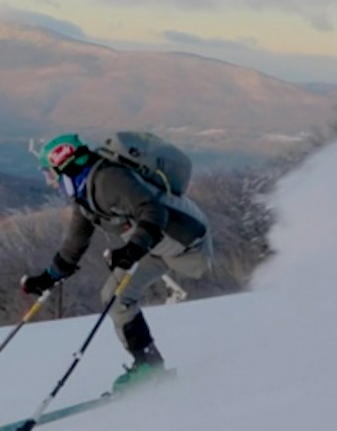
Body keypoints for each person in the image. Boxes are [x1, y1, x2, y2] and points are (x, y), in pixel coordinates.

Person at [20, 132, 215, 392]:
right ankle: (148, 365)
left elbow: (153, 211)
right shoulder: (85, 195)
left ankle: (148, 365)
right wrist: (49, 276)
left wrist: (132, 249)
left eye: (50, 174)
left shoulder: (107, 180)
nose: (50, 182)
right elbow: (75, 244)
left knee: (118, 288)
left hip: (186, 242)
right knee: (114, 296)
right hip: (157, 246)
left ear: (64, 166)